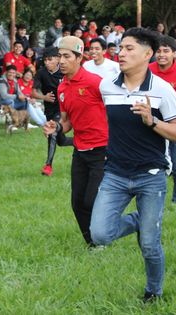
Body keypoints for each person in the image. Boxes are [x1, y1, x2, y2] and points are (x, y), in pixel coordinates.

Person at [90, 28, 176, 303]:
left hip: (151, 175)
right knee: (100, 234)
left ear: (148, 54)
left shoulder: (162, 90)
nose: (121, 53)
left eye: (129, 48)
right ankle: (139, 220)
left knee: (149, 245)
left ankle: (153, 292)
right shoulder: (107, 85)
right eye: (121, 48)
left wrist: (152, 121)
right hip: (115, 174)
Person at [42, 36, 108, 246]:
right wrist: (56, 127)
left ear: (79, 58)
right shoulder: (61, 89)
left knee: (91, 201)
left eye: (66, 56)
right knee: (77, 202)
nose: (60, 61)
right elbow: (66, 121)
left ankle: (107, 234)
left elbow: (114, 112)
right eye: (58, 56)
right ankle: (93, 245)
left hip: (102, 150)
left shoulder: (96, 83)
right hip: (80, 151)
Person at [149, 36, 176, 206]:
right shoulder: (148, 70)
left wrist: (159, 104)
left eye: (166, 51)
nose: (161, 55)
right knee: (154, 165)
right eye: (158, 51)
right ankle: (154, 198)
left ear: (174, 53)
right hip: (153, 123)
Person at [33, 48, 73, 177]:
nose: (47, 63)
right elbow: (33, 92)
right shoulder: (41, 73)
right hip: (50, 111)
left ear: (57, 59)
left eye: (50, 60)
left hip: (64, 110)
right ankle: (79, 142)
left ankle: (48, 165)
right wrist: (44, 97)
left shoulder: (65, 71)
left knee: (53, 132)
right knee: (61, 141)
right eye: (45, 60)